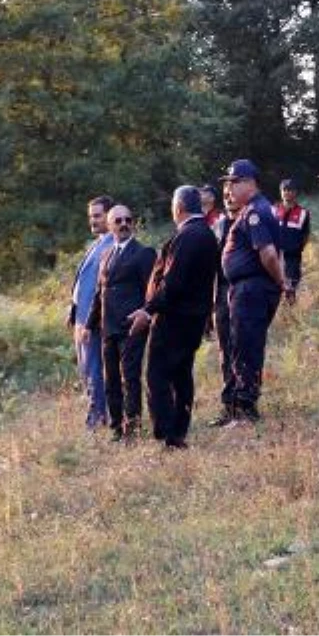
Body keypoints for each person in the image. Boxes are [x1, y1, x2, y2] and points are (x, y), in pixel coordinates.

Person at [126, 187, 218, 449]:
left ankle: (168, 433)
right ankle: (178, 432)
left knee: (158, 375)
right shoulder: (208, 235)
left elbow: (173, 282)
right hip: (193, 318)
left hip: (174, 318)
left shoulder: (188, 236)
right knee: (181, 375)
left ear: (178, 208)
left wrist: (148, 310)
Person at [214, 159, 293, 424]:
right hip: (245, 288)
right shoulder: (248, 211)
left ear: (250, 183)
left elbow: (269, 254)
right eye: (227, 184)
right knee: (238, 347)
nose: (229, 189)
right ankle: (235, 407)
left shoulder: (256, 212)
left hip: (252, 289)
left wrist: (281, 282)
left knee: (247, 347)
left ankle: (246, 410)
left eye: (234, 183)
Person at [86, 204, 156, 441]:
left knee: (130, 377)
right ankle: (116, 427)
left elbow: (151, 291)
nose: (124, 223)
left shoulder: (144, 253)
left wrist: (146, 314)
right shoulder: (106, 255)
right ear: (110, 225)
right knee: (111, 379)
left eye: (128, 219)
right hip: (108, 327)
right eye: (118, 221)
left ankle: (132, 428)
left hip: (131, 327)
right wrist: (88, 324)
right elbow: (99, 293)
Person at [67, 195, 114, 430]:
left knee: (95, 370)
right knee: (86, 371)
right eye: (91, 217)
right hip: (80, 318)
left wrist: (88, 321)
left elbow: (100, 288)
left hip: (93, 321)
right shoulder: (97, 243)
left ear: (110, 214)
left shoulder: (112, 245)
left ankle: (97, 419)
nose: (93, 221)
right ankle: (96, 415)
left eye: (98, 215)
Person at [212, 195, 241, 418]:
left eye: (232, 194)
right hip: (221, 294)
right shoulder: (219, 225)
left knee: (243, 348)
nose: (229, 198)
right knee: (225, 350)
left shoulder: (249, 221)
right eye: (226, 195)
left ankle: (245, 402)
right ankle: (229, 405)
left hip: (243, 291)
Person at [273, 178, 311, 290]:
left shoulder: (304, 213)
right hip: (274, 256)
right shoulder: (273, 210)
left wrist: (297, 248)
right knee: (274, 285)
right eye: (284, 190)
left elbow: (306, 234)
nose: (287, 192)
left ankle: (292, 306)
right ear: (280, 192)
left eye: (290, 190)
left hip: (293, 257)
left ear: (295, 192)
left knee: (291, 286)